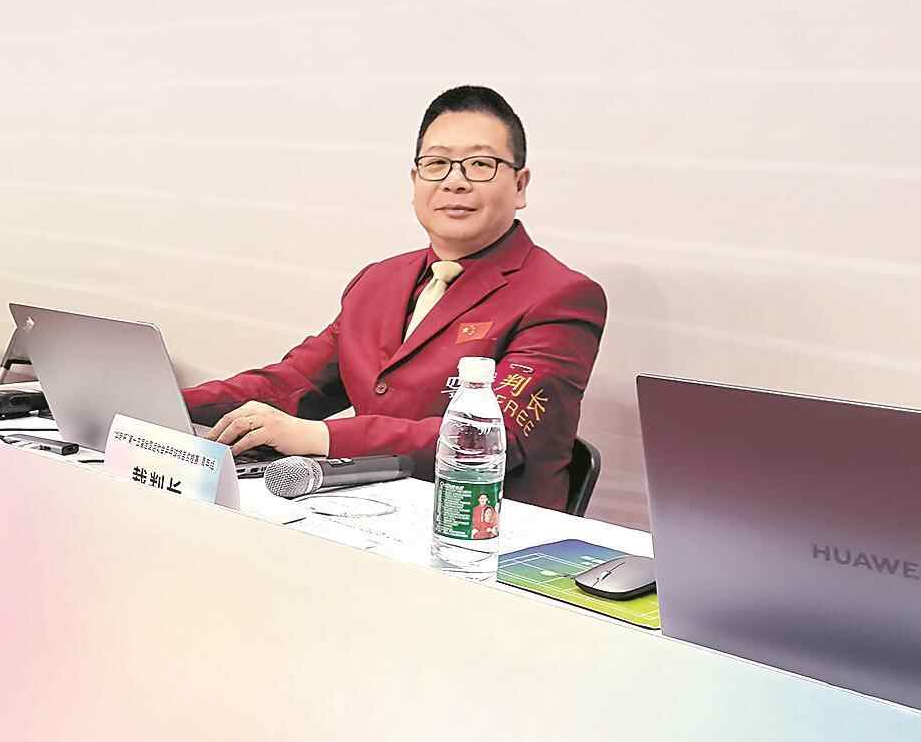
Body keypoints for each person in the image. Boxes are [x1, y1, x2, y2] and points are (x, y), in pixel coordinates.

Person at [185, 85, 607, 512]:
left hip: (486, 527)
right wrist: (169, 400)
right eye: (437, 164)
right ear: (415, 181)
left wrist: (318, 436)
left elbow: (492, 436)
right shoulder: (378, 281)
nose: (455, 181)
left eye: (480, 164)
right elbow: (295, 383)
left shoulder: (562, 296)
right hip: (369, 512)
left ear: (519, 185)